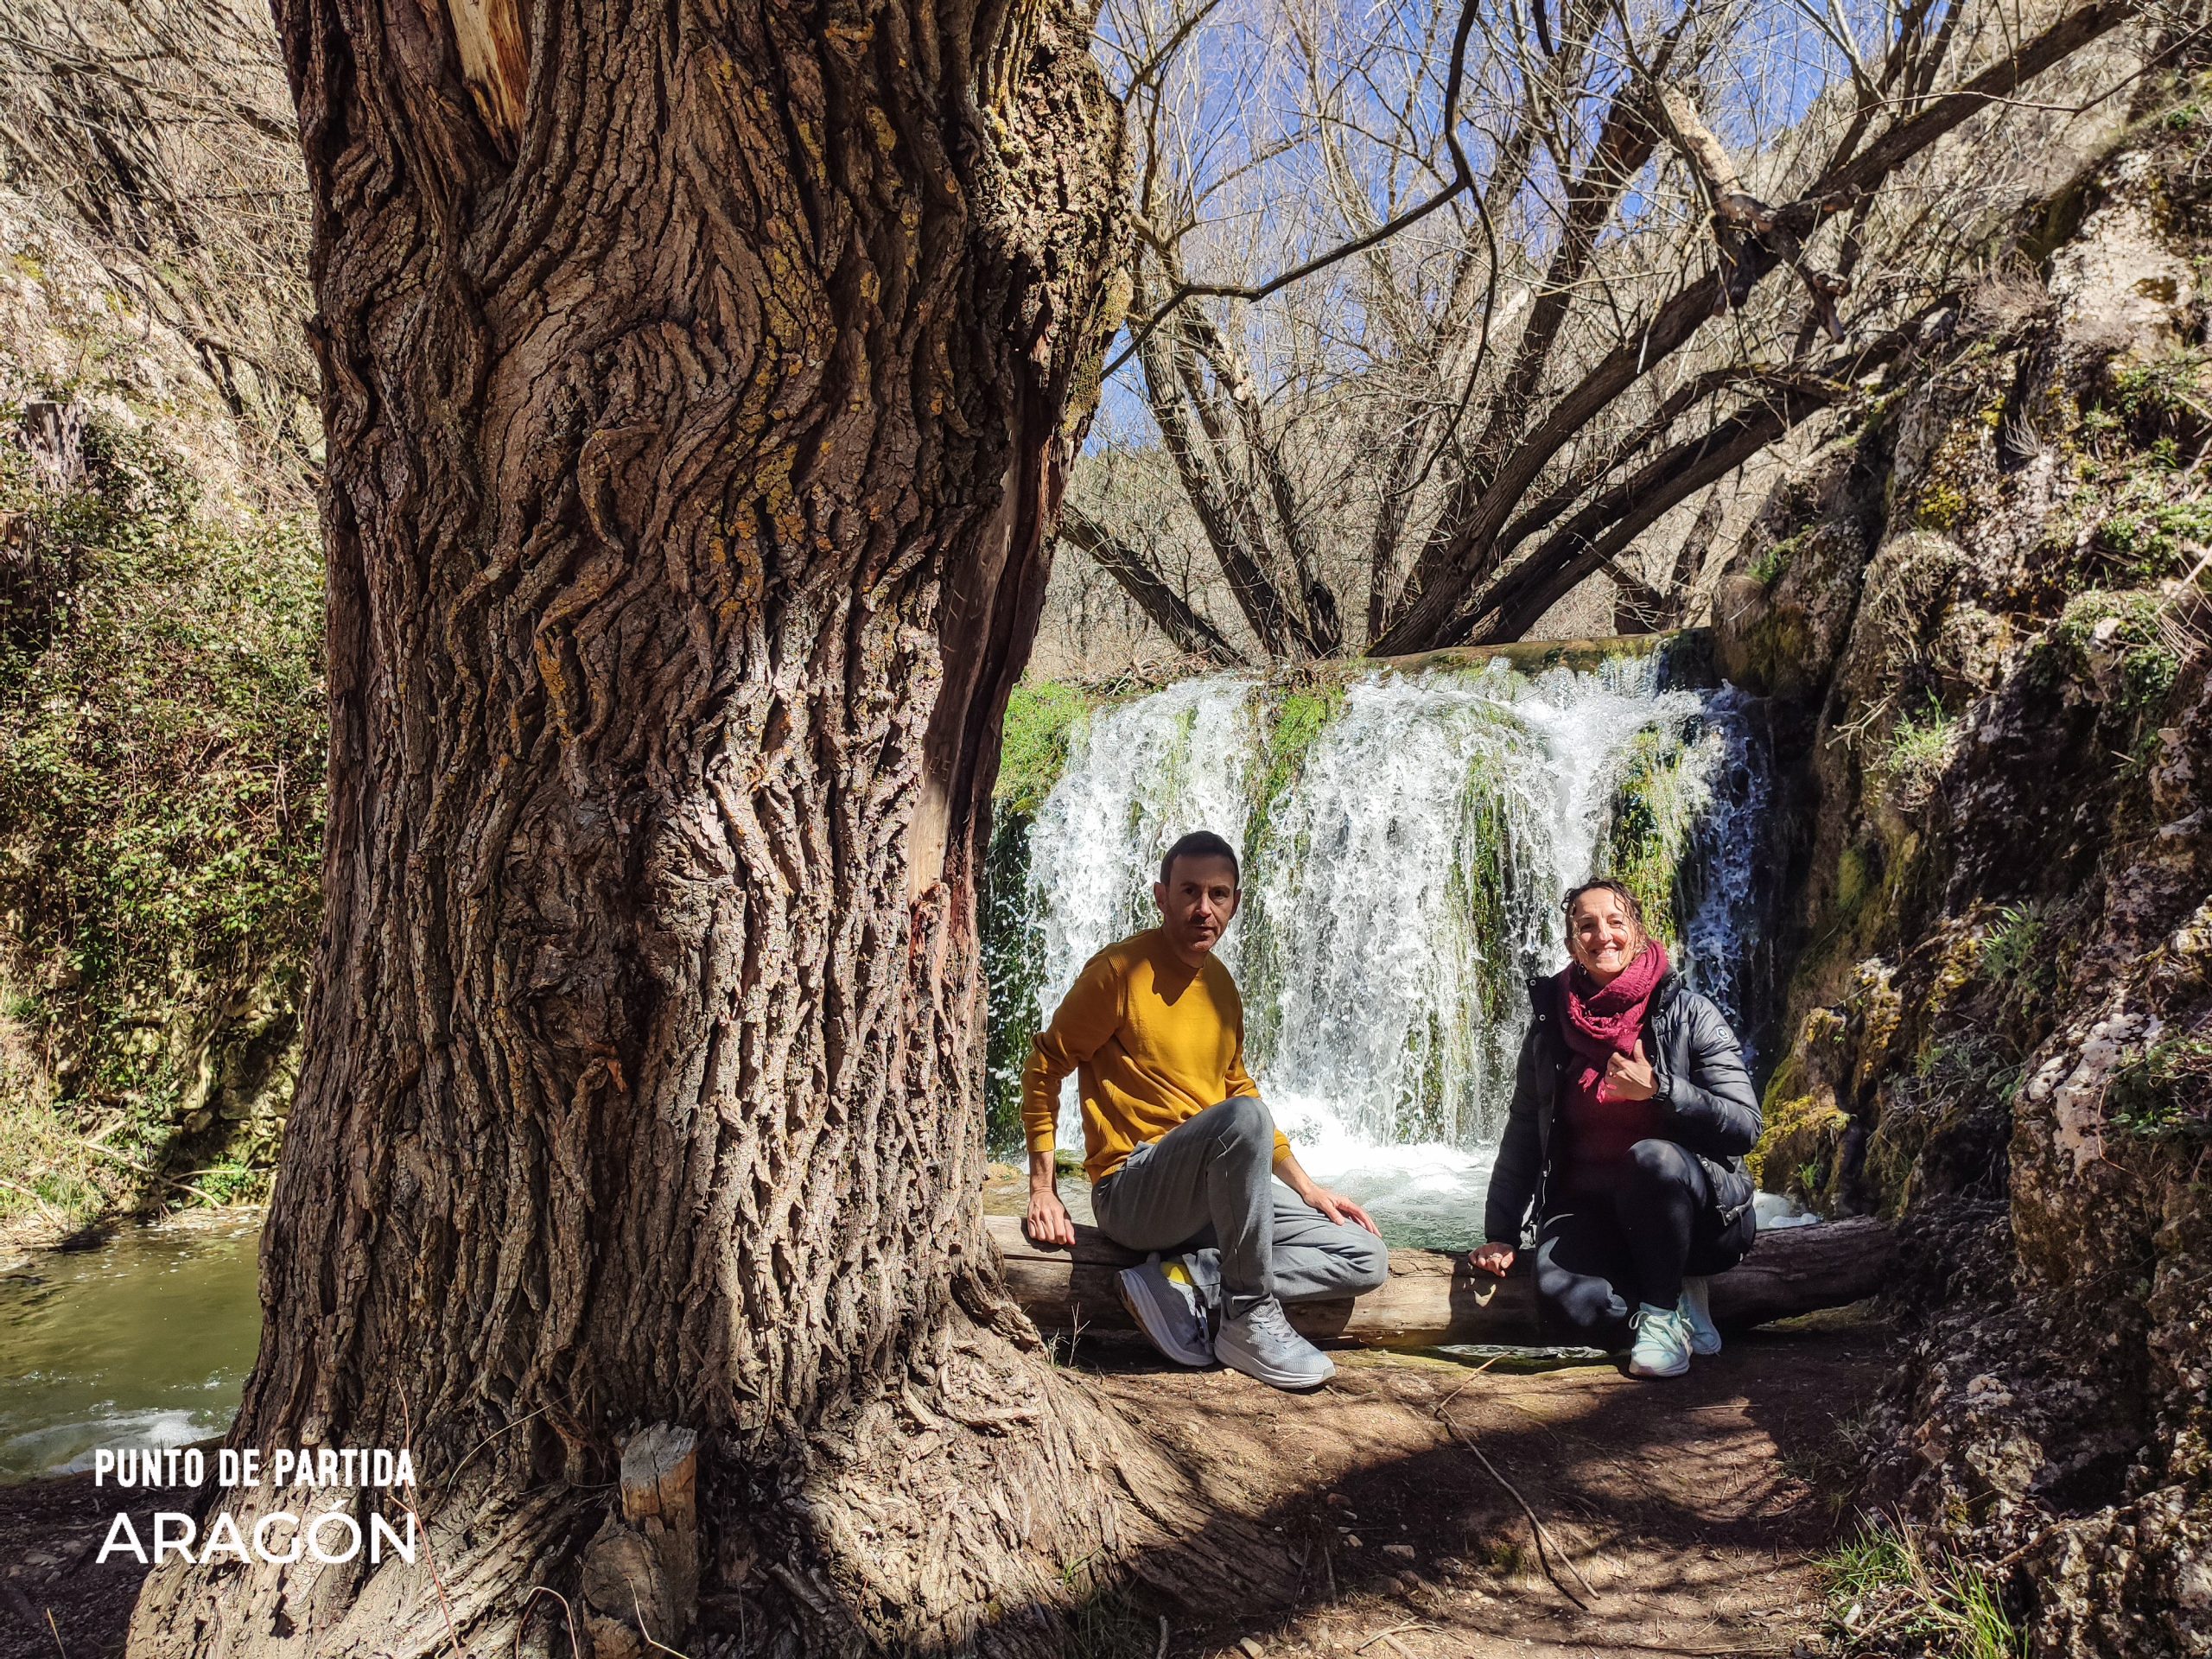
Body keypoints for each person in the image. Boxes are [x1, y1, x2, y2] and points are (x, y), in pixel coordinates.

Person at [1021, 830, 1388, 1389]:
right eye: (1189, 891)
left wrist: (1308, 1188)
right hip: (1133, 1191)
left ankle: (1194, 1280)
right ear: (1161, 897)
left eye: (1218, 894)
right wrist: (1042, 1188)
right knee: (1244, 1119)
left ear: (1235, 903)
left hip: (1212, 1199)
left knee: (1364, 1255)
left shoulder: (1220, 986)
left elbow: (1238, 1087)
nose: (1203, 908)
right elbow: (1045, 1065)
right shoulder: (1118, 973)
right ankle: (1248, 1316)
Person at [1470, 878, 1759, 1378]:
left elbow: (1746, 1126)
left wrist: (1662, 1090)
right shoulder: (1550, 1029)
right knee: (1566, 1302)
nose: (1602, 935)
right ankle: (1671, 1294)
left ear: (1638, 933)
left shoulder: (1690, 1014)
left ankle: (1663, 1316)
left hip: (1697, 1214)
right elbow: (1523, 1134)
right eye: (1586, 926)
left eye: (1615, 922)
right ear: (1571, 945)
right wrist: (1501, 1233)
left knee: (1652, 1159)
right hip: (1592, 1209)